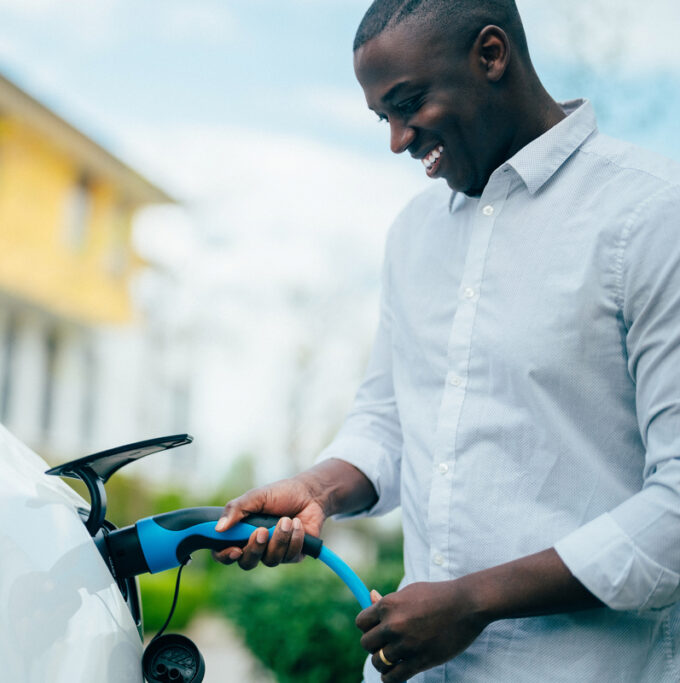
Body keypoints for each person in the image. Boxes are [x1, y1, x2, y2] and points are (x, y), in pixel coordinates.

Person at [212, 1, 680, 681]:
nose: (398, 140)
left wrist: (473, 601)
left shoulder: (650, 215)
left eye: (408, 104)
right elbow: (390, 420)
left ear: (490, 56)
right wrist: (317, 488)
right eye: (384, 118)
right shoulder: (414, 232)